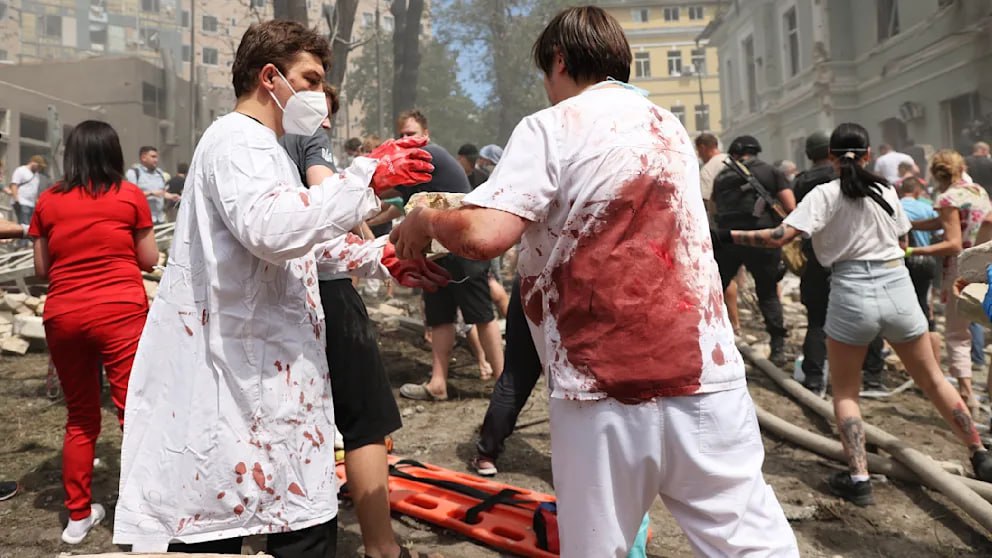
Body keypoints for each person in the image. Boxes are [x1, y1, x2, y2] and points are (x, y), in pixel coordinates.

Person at [390, 7, 798, 556]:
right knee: (749, 543)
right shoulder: (667, 125)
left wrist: (424, 219)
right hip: (706, 377)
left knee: (598, 546)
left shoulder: (553, 125)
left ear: (559, 61)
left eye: (546, 73)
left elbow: (484, 235)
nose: (547, 87)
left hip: (602, 385)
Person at [112, 20, 436, 555]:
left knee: (292, 522)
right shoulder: (236, 142)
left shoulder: (270, 151)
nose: (319, 96)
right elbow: (271, 229)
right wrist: (365, 176)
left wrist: (379, 256)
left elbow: (301, 245)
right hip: (236, 384)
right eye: (310, 79)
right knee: (223, 530)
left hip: (271, 388)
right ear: (270, 77)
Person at [717, 123, 992, 506]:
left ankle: (860, 478)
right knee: (933, 379)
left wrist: (726, 235)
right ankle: (979, 454)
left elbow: (779, 237)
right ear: (868, 155)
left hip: (851, 292)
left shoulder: (823, 194)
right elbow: (902, 238)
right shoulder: (887, 190)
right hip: (897, 287)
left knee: (846, 392)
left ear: (831, 157)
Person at [279, 82, 445, 558]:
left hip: (276, 304)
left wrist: (373, 249)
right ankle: (381, 547)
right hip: (326, 296)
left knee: (293, 423)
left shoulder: (250, 145)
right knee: (366, 422)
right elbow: (324, 207)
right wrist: (368, 184)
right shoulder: (305, 136)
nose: (325, 120)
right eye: (320, 106)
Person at [28, 120, 160, 544]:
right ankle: (145, 513)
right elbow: (149, 258)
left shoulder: (48, 200)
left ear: (71, 155)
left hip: (65, 315)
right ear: (114, 153)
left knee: (81, 418)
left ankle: (78, 517)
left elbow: (42, 268)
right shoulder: (130, 195)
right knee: (131, 413)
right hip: (120, 311)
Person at [390, 109, 505, 401]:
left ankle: (503, 382)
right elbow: (399, 203)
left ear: (425, 134)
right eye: (401, 134)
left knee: (481, 314)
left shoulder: (430, 156)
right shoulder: (411, 163)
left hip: (463, 248)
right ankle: (438, 383)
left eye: (411, 133)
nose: (405, 139)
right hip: (437, 252)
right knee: (440, 317)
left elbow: (388, 191)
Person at [793, 131, 886, 396]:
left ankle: (814, 380)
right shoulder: (855, 177)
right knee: (869, 316)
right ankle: (873, 377)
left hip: (817, 257)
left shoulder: (801, 182)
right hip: (854, 257)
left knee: (817, 320)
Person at [909, 150, 992, 417]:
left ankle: (967, 394)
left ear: (935, 173)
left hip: (960, 270)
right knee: (981, 323)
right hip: (986, 264)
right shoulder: (978, 191)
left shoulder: (946, 198)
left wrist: (911, 251)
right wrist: (912, 224)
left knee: (957, 334)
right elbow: (947, 221)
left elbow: (953, 242)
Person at [712, 135, 796, 365]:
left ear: (734, 154)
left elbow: (715, 210)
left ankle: (713, 339)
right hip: (762, 240)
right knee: (768, 292)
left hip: (728, 240)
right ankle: (777, 348)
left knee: (716, 290)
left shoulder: (721, 176)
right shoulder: (771, 172)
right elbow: (790, 206)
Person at [899, 176, 941, 360]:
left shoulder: (895, 206)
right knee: (924, 303)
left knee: (902, 304)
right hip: (925, 260)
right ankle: (927, 350)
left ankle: (904, 348)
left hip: (901, 262)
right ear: (917, 191)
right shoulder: (926, 208)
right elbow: (939, 233)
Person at [126, 146, 177, 224]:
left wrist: (171, 196)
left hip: (160, 219)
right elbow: (131, 195)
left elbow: (161, 192)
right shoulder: (134, 173)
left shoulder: (159, 173)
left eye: (157, 157)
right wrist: (151, 193)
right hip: (143, 220)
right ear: (143, 158)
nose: (156, 160)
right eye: (153, 157)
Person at [7, 155, 46, 226]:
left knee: (31, 225)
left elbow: (34, 188)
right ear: (33, 163)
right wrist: (16, 200)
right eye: (39, 166)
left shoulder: (36, 175)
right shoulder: (21, 170)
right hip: (22, 202)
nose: (39, 168)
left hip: (31, 203)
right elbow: (14, 184)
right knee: (24, 224)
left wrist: (37, 201)